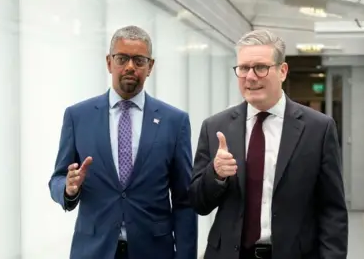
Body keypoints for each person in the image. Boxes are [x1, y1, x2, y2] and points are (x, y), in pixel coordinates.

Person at [188, 29, 348, 259]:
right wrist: (216, 175)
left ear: (282, 71)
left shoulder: (318, 129)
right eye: (243, 68)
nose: (250, 77)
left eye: (260, 68)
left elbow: (333, 210)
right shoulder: (215, 127)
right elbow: (198, 203)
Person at [48, 25, 198, 259]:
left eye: (139, 60)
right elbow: (56, 179)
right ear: (109, 62)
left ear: (150, 67)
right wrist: (68, 189)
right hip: (93, 250)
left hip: (154, 251)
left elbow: (184, 199)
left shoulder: (174, 121)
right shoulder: (78, 116)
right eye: (122, 58)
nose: (130, 66)